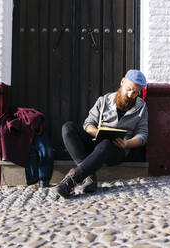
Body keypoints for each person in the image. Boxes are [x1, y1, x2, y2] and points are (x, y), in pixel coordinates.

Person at [54, 69, 148, 199]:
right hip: (96, 141)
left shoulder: (141, 107)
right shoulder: (104, 100)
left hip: (117, 149)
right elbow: (88, 123)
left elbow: (142, 135)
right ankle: (89, 176)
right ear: (122, 82)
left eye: (135, 92)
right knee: (68, 128)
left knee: (105, 144)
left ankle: (70, 182)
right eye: (129, 89)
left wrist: (127, 143)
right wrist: (98, 132)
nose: (131, 94)